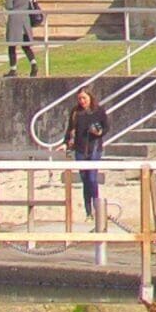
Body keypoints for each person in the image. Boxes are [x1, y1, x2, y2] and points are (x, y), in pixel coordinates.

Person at [64, 86, 110, 227]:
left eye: (84, 98)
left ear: (90, 97)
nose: (82, 101)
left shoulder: (98, 110)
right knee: (85, 180)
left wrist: (99, 132)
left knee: (92, 178)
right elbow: (70, 130)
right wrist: (66, 143)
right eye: (79, 98)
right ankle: (88, 212)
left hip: (94, 147)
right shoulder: (75, 112)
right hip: (79, 149)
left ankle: (97, 210)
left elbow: (106, 127)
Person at [2, 0, 41, 79]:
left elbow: (8, 6)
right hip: (26, 19)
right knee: (25, 45)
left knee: (12, 45)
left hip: (15, 19)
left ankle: (13, 69)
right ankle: (33, 64)